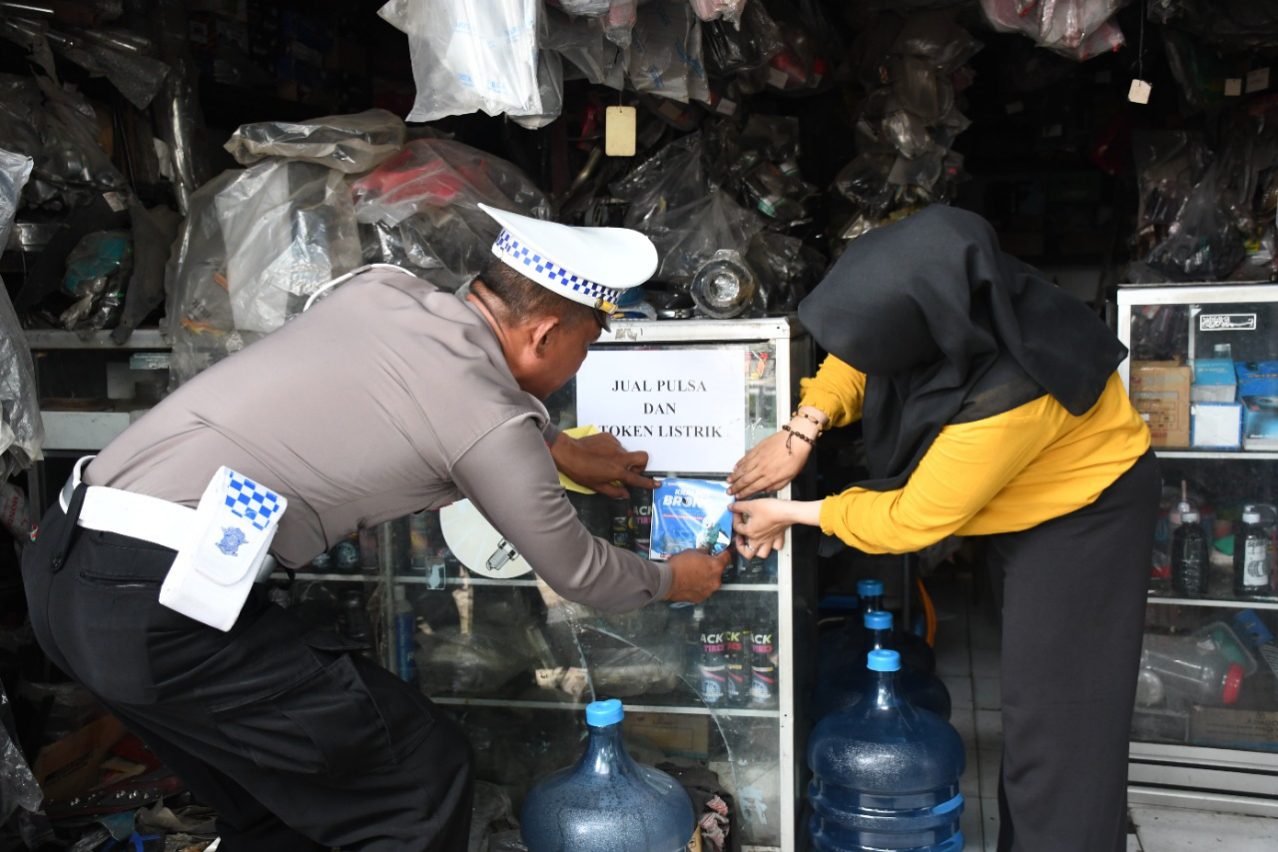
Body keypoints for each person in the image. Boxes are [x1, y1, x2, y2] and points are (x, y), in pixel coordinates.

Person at [21, 204, 729, 851]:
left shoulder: (382, 291)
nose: (583, 360)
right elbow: (581, 571)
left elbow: (421, 389)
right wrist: (676, 579)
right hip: (158, 607)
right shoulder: (491, 421)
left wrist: (560, 448)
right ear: (546, 330)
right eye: (588, 340)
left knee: (276, 810)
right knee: (416, 781)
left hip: (68, 569)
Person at [727, 205, 1156, 852]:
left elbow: (914, 518)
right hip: (1029, 499)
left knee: (1064, 729)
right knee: (1035, 712)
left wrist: (788, 513)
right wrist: (803, 427)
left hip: (1086, 521)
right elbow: (858, 349)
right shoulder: (962, 295)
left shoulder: (1014, 391)